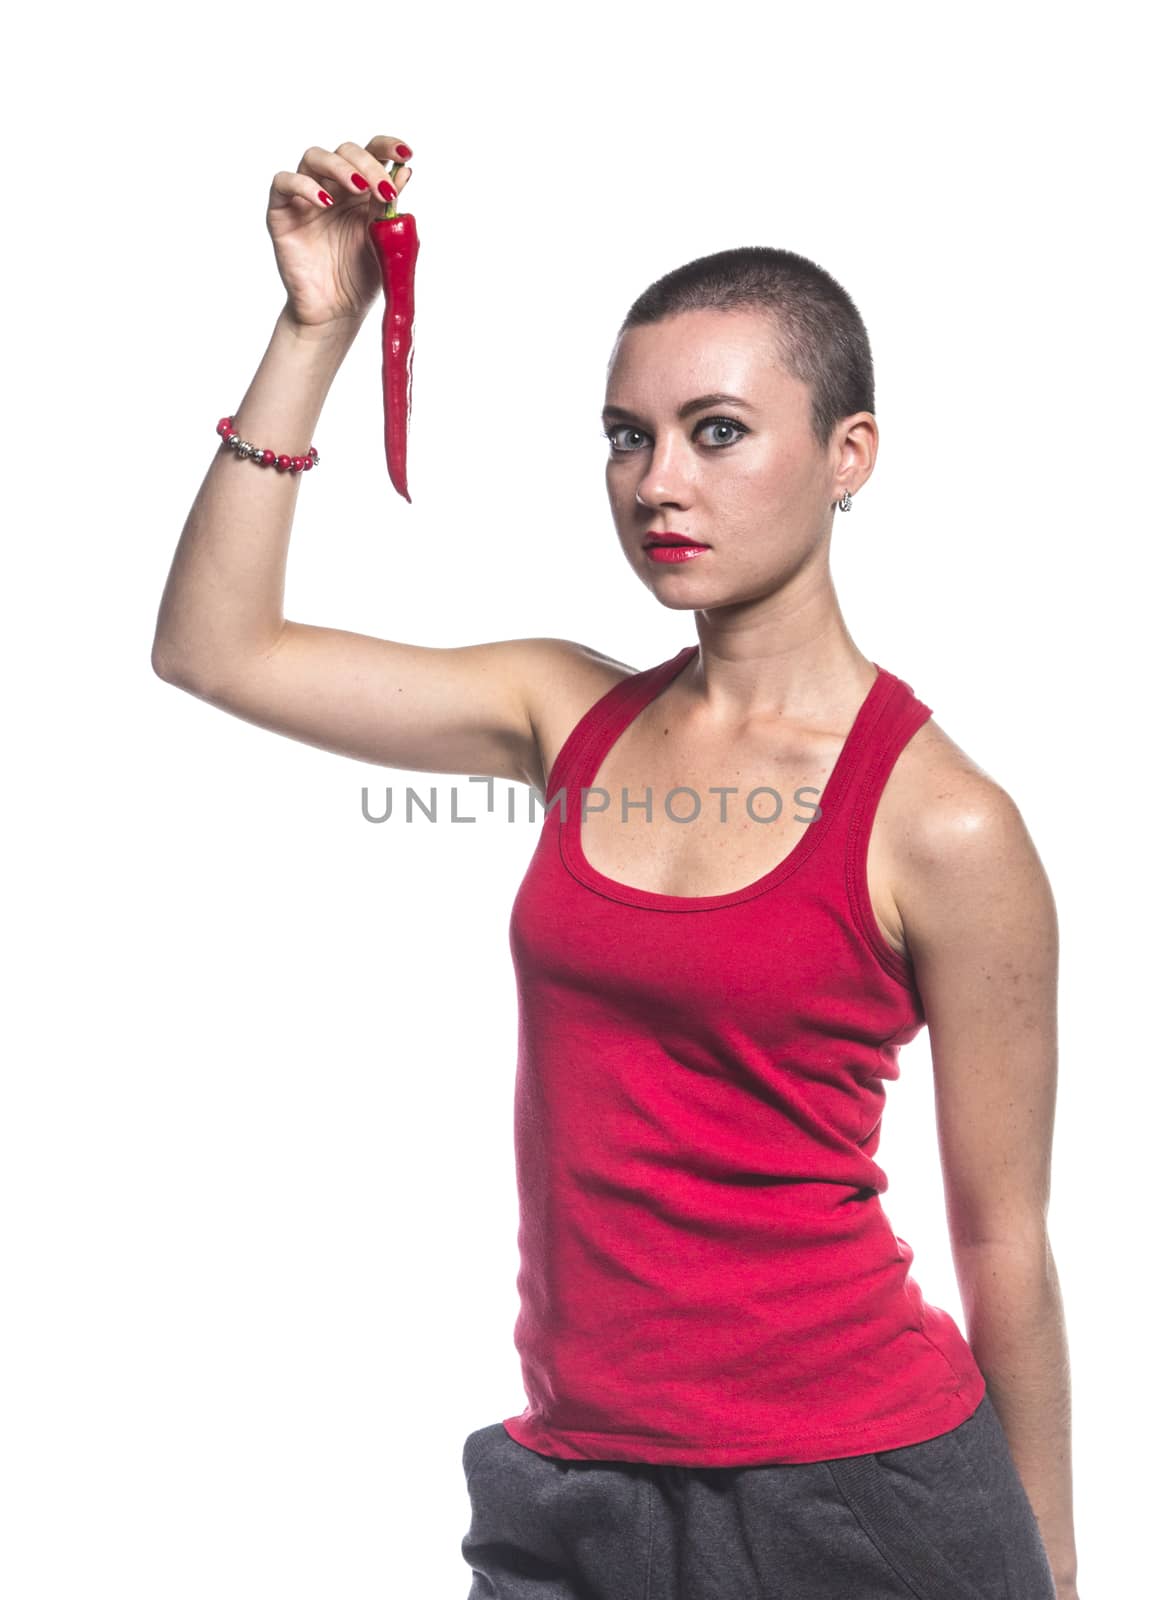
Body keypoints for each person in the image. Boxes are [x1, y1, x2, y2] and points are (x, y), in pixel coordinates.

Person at [151, 133, 1078, 1600]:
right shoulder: (566, 712)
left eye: (718, 431)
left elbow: (1002, 1239)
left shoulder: (944, 823)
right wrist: (315, 329)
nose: (658, 480)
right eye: (625, 435)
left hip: (861, 1498)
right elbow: (215, 649)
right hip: (575, 1486)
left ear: (851, 456)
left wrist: (1051, 1572)